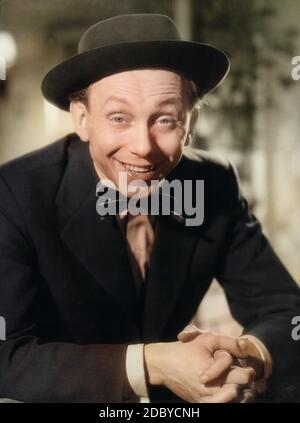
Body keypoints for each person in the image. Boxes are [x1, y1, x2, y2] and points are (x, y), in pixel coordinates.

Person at [0, 13, 299, 404]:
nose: (143, 146)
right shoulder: (16, 193)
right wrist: (151, 364)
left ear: (190, 123)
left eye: (165, 120)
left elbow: (289, 314)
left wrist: (247, 357)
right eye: (119, 117)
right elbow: (6, 357)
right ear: (82, 119)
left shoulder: (213, 183)